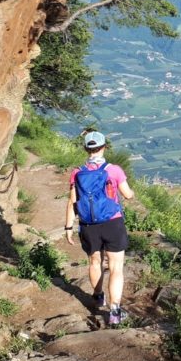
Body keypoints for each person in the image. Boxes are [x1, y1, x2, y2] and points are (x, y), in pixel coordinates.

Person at [65, 130, 134, 325]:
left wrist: (69, 226)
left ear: (86, 148)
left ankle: (98, 297)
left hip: (88, 225)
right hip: (112, 222)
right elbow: (127, 195)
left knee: (95, 263)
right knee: (115, 268)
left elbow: (72, 202)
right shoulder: (114, 170)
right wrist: (131, 192)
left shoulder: (77, 172)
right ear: (104, 147)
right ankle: (114, 312)